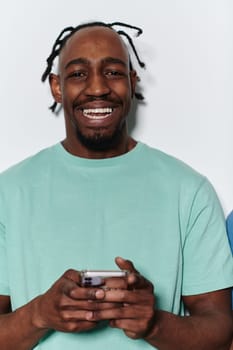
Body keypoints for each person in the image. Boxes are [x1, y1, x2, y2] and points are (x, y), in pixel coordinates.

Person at [0, 21, 232, 350]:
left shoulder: (189, 191)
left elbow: (221, 331)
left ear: (132, 82)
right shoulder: (7, 193)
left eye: (113, 72)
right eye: (79, 73)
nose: (97, 88)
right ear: (56, 87)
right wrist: (40, 314)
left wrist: (154, 323)